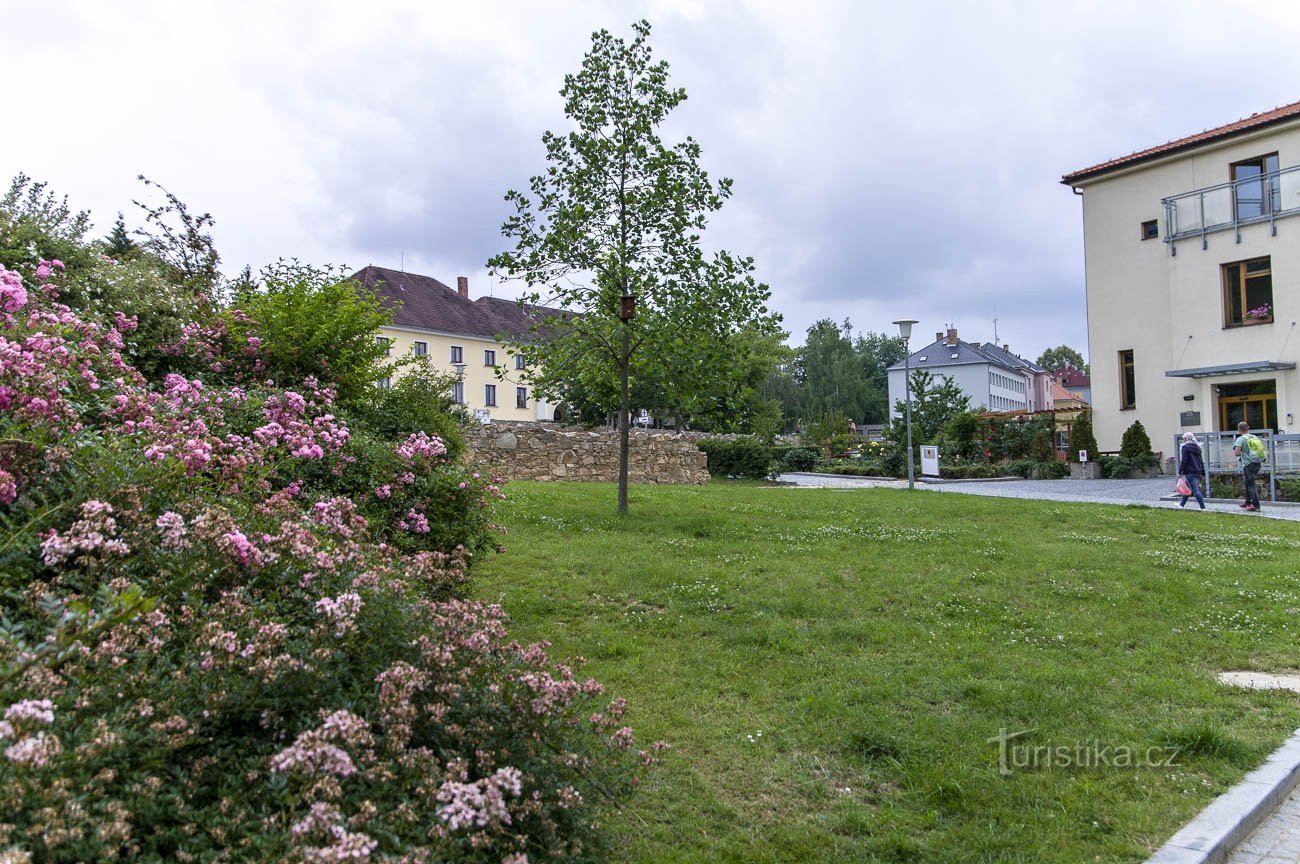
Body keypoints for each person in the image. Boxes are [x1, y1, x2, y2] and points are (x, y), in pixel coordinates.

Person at [1233, 421, 1262, 512]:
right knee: (1248, 482)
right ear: (1248, 428)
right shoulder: (1254, 437)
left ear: (1239, 430)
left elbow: (1237, 453)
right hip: (1257, 463)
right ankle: (1248, 502)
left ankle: (1256, 505)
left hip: (1248, 464)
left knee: (1251, 485)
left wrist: (1242, 453)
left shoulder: (1241, 439)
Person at [1177, 431, 1206, 509]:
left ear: (1186, 439)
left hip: (1189, 471)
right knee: (1187, 488)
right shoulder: (1197, 448)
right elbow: (1200, 460)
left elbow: (1184, 461)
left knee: (1195, 490)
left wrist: (1180, 471)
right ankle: (1181, 504)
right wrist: (1203, 472)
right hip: (1198, 470)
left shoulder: (1185, 447)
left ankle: (1203, 507)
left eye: (1184, 439)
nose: (1183, 441)